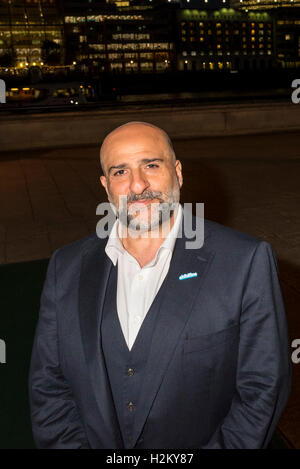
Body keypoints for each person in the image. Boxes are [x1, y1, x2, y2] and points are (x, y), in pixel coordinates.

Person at [29, 121, 291, 449]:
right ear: (105, 186)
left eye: (151, 165)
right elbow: (48, 388)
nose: (138, 185)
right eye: (120, 171)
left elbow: (262, 390)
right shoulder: (65, 267)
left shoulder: (243, 261)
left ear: (177, 172)